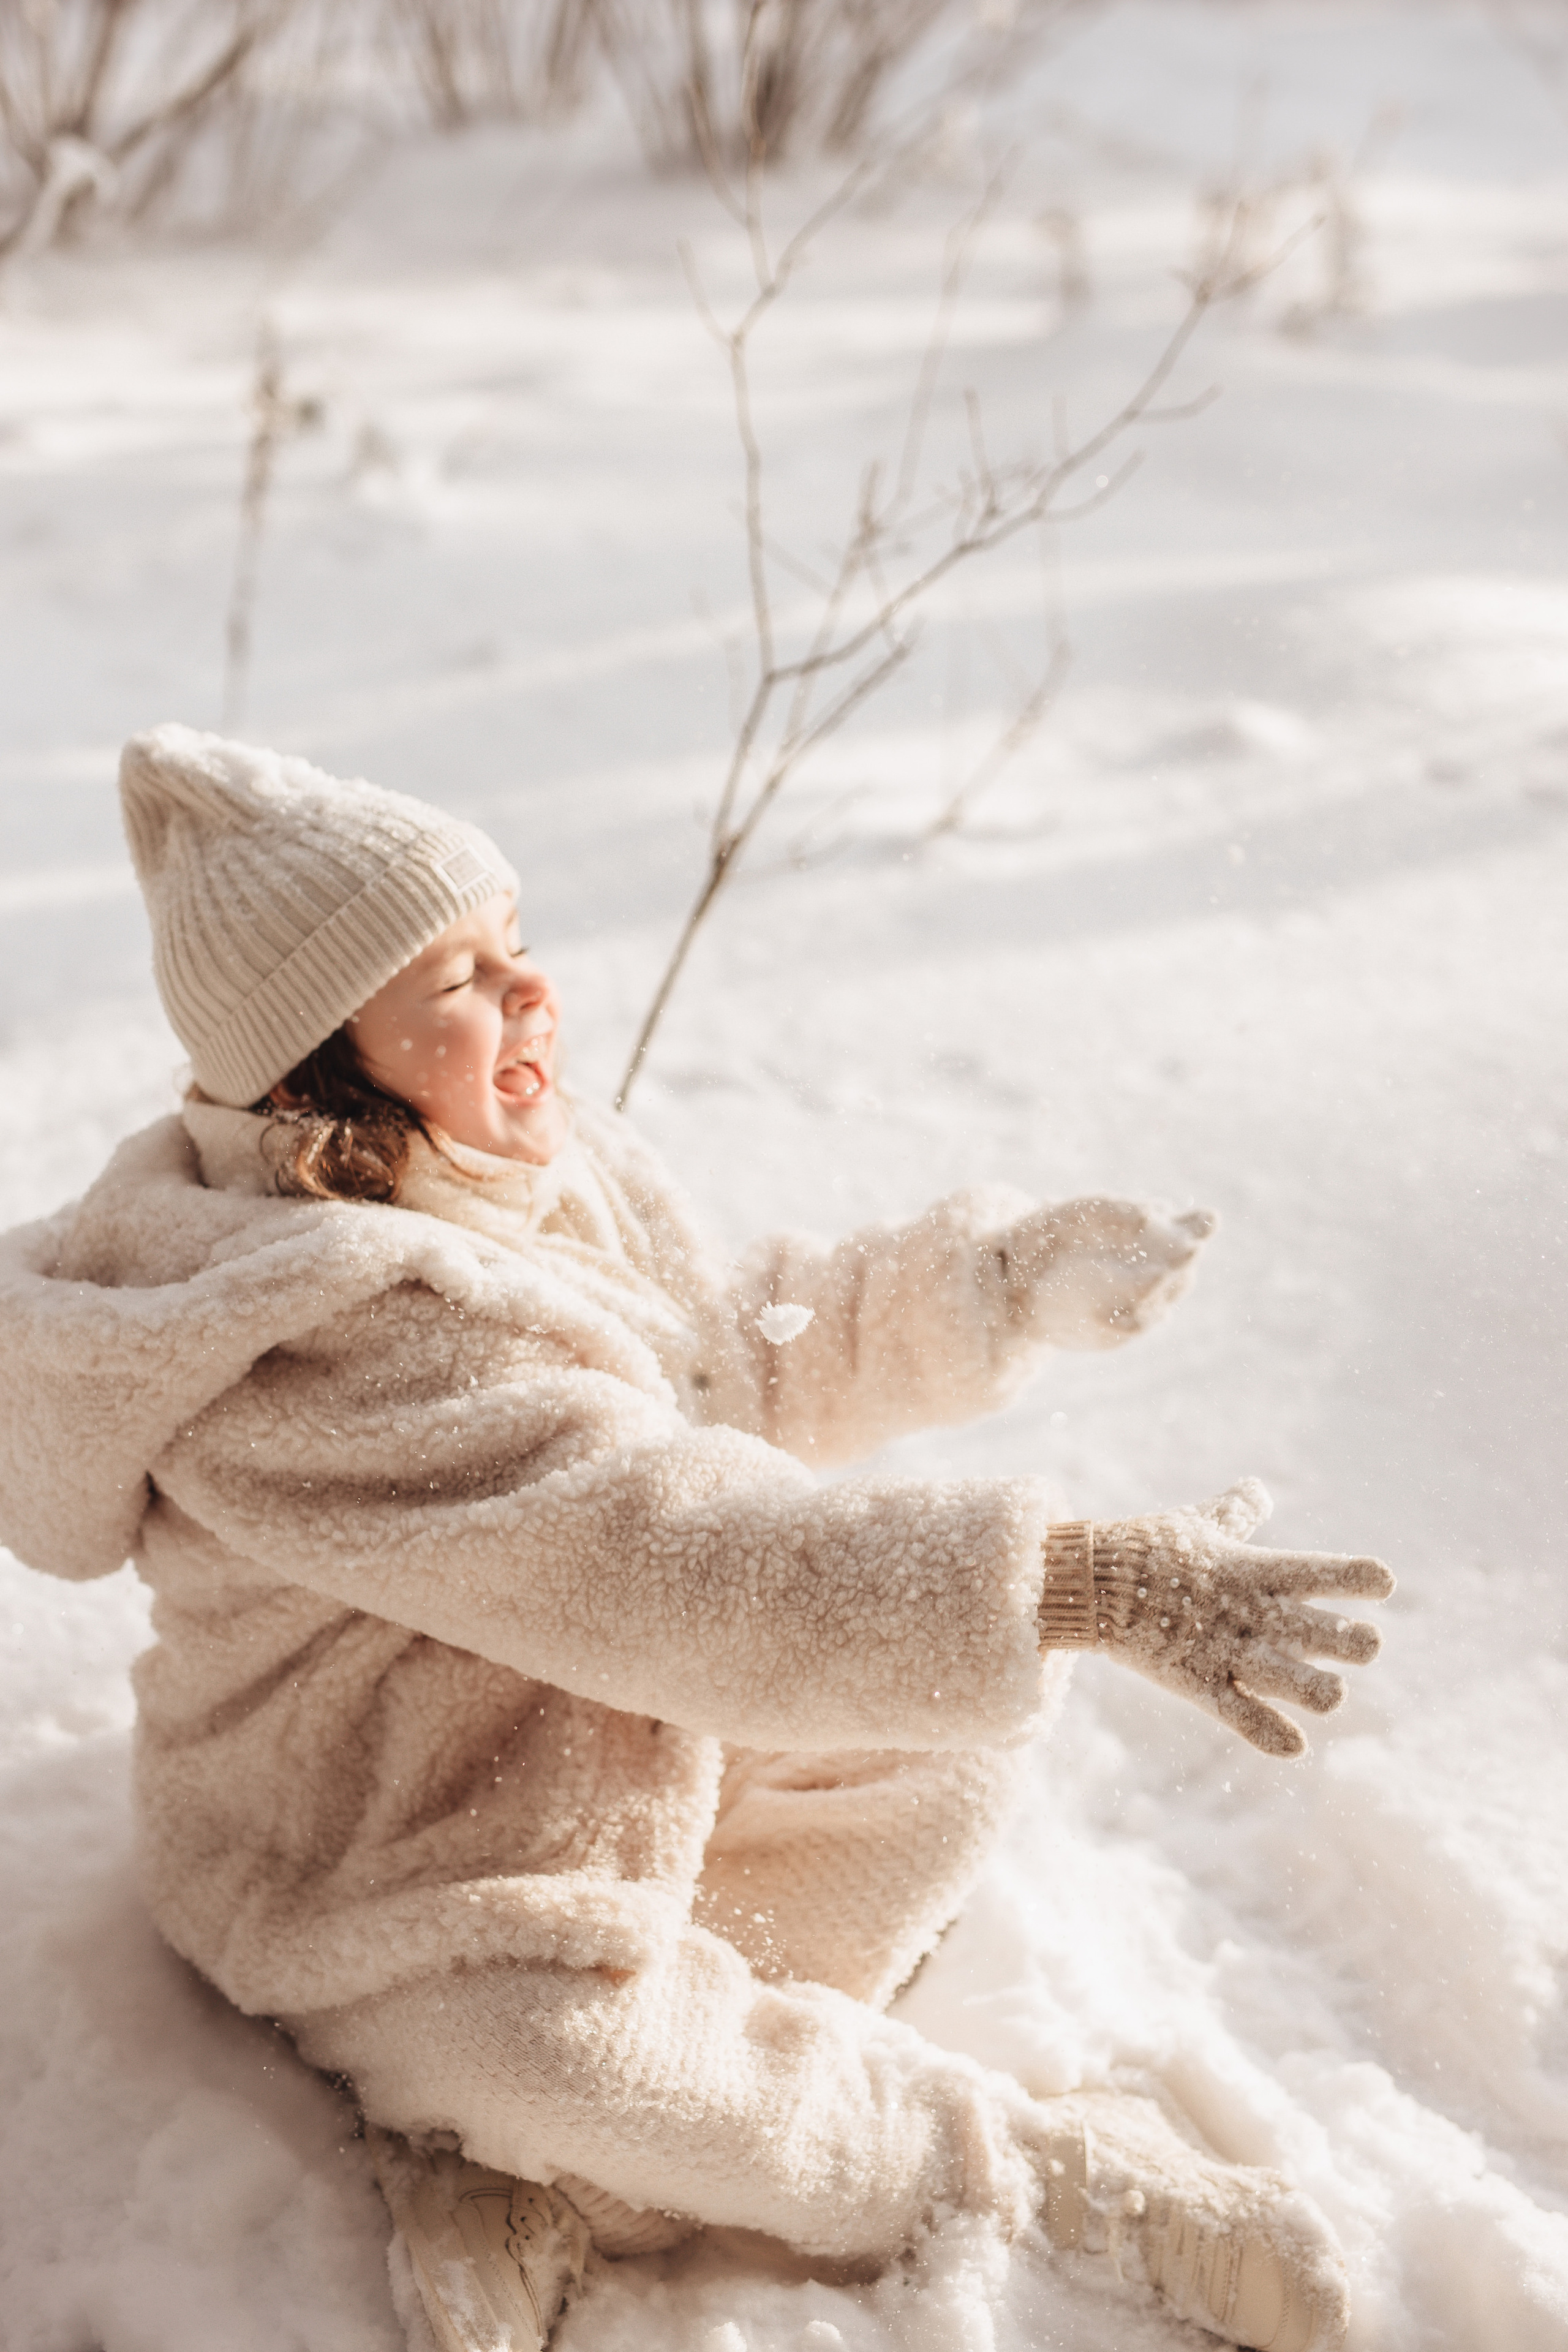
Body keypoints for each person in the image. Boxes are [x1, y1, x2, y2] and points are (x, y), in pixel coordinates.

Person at [0, 725, 1393, 2352]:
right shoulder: (308, 1344)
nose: (528, 991)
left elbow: (719, 1361)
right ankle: (1040, 2181)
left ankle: (544, 2170)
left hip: (603, 1726)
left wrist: (987, 1289)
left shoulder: (516, 1166)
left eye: (514, 943)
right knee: (568, 2054)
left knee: (942, 1735)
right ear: (319, 1074)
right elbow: (671, 1551)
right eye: (454, 981)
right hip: (386, 1845)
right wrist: (1074, 1579)